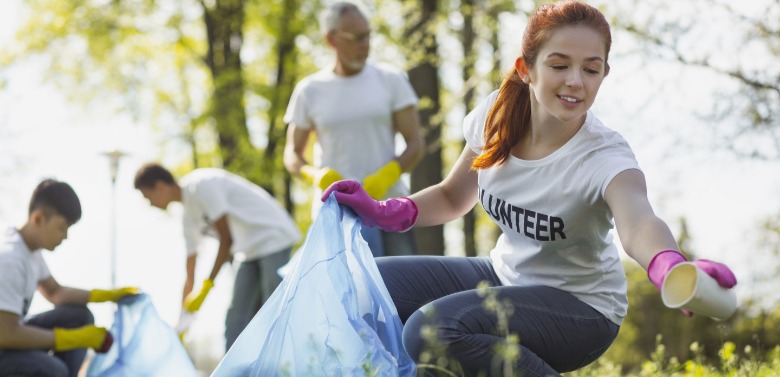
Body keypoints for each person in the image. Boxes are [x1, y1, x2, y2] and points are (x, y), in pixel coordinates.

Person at [322, 1, 738, 376]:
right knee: (364, 284)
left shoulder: (605, 157)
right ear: (526, 69)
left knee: (432, 329)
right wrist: (384, 210)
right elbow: (453, 197)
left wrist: (668, 265)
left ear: (603, 74)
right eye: (559, 65)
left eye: (591, 69)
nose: (576, 81)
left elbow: (639, 223)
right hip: (505, 275)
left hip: (582, 310)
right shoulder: (496, 115)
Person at [283, 0, 425, 257]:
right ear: (331, 39)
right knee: (347, 295)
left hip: (388, 209)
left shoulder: (391, 80)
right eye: (356, 37)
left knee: (402, 292)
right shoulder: (310, 90)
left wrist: (387, 175)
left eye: (368, 36)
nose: (365, 45)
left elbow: (415, 144)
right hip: (336, 213)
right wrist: (314, 175)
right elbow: (292, 154)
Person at [133, 163, 302, 352]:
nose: (149, 203)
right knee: (236, 314)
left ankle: (283, 365)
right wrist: (182, 323)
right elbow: (190, 270)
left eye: (148, 197)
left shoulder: (201, 185)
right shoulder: (188, 215)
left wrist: (207, 285)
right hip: (247, 251)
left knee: (274, 305)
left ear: (160, 186)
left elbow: (226, 239)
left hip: (273, 236)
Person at [0, 179, 139, 377]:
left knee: (80, 317)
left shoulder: (31, 251)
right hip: (4, 339)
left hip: (9, 336)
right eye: (62, 227)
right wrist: (71, 338)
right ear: (38, 219)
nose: (65, 236)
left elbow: (56, 293)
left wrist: (108, 295)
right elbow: (5, 334)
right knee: (54, 370)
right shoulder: (9, 259)